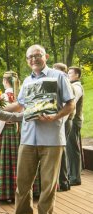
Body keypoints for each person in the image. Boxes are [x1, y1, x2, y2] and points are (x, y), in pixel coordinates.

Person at [4, 44, 75, 214]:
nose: (34, 59)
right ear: (27, 61)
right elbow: (19, 105)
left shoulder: (59, 77)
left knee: (48, 184)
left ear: (46, 56)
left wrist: (55, 116)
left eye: (37, 55)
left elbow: (71, 104)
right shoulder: (26, 81)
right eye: (30, 57)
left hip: (52, 138)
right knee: (23, 181)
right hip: (28, 138)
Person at [0, 71, 20, 201]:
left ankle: (6, 192)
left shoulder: (3, 97)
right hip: (17, 131)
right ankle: (18, 192)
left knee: (5, 163)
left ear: (4, 81)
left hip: (5, 131)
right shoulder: (19, 95)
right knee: (17, 162)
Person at [53, 63, 73, 191]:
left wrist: (59, 120)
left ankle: (63, 181)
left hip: (64, 120)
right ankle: (63, 181)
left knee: (62, 150)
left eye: (55, 70)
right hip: (62, 120)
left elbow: (70, 104)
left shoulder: (64, 81)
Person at [66, 66, 84, 186]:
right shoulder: (73, 86)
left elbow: (72, 102)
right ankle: (72, 174)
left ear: (77, 75)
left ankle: (75, 177)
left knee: (72, 149)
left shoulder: (76, 87)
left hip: (74, 120)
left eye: (70, 73)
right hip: (73, 120)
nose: (68, 75)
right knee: (70, 148)